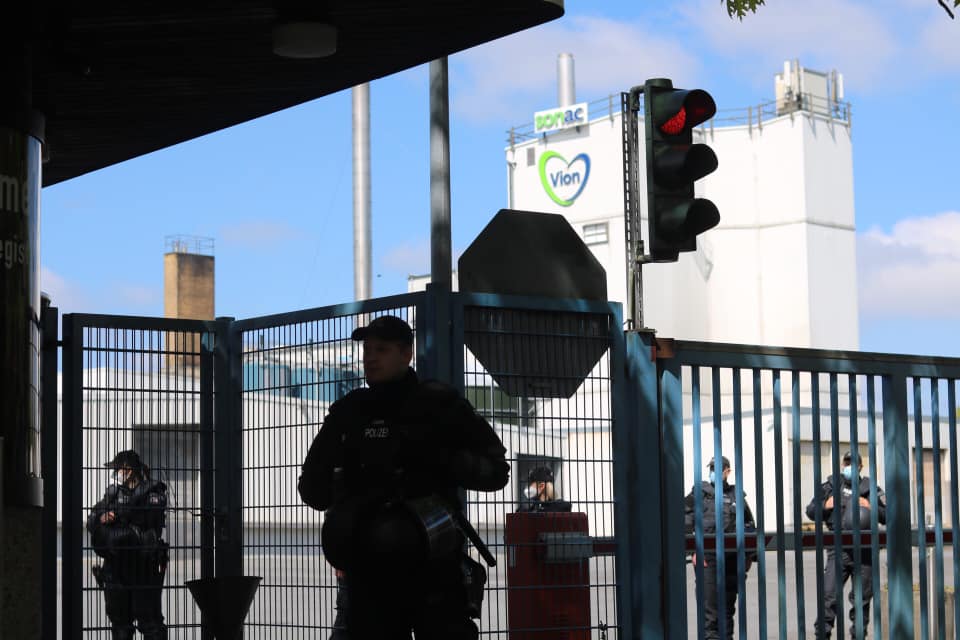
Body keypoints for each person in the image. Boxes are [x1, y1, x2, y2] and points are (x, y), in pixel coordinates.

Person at [298, 315, 509, 640]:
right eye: (367, 350)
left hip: (433, 570)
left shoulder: (439, 405)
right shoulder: (350, 411)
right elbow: (313, 488)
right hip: (369, 576)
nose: (370, 358)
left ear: (407, 354)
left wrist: (436, 458)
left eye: (381, 350)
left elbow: (496, 471)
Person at [87, 449, 169, 640]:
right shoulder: (113, 493)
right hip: (116, 569)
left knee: (150, 623)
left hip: (143, 568)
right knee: (120, 625)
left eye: (117, 469)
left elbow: (149, 528)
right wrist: (102, 517)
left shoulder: (152, 492)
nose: (115, 473)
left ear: (128, 470)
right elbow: (92, 520)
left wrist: (118, 518)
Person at [806, 450, 887, 640]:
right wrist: (825, 505)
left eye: (854, 463)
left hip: (865, 552)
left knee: (862, 599)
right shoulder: (830, 486)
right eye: (847, 463)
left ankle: (858, 635)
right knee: (829, 596)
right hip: (838, 549)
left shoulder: (871, 489)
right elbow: (810, 511)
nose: (850, 466)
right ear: (843, 465)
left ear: (860, 466)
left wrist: (871, 507)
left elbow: (888, 515)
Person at [684, 456, 756, 640]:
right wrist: (693, 551)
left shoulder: (736, 495)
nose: (713, 472)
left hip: (732, 558)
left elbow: (749, 525)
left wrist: (750, 555)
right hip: (707, 558)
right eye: (711, 469)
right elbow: (684, 521)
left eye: (717, 469)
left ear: (727, 472)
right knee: (710, 611)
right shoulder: (699, 493)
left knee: (727, 611)